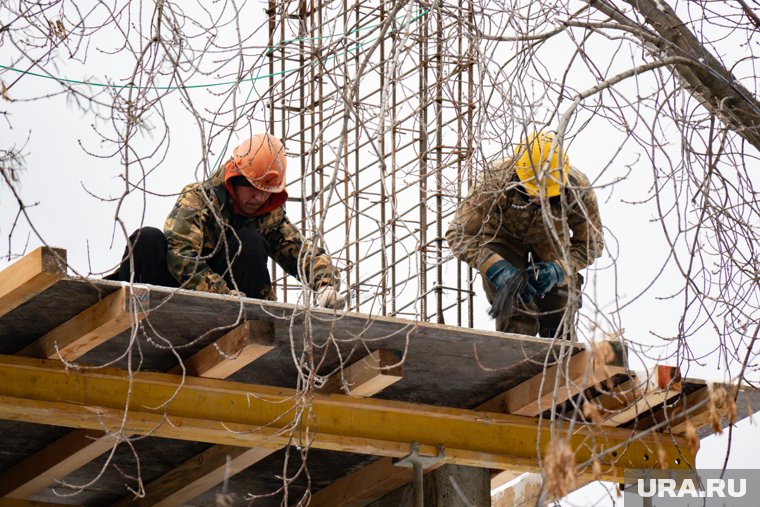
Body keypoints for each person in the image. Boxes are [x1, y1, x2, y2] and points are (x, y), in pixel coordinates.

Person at [108, 133, 345, 309]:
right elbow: (180, 254)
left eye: (266, 192)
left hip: (235, 306)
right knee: (147, 239)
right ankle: (131, 312)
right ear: (235, 180)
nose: (259, 198)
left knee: (249, 244)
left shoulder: (267, 216)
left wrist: (325, 283)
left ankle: (250, 321)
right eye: (253, 189)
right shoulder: (199, 200)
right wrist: (223, 295)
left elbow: (299, 250)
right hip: (176, 291)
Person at [445, 132, 604, 337]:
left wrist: (559, 269)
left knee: (560, 312)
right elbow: (458, 234)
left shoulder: (579, 190)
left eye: (549, 193)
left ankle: (563, 365)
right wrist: (496, 269)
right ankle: (516, 359)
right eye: (535, 190)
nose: (541, 198)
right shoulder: (494, 181)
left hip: (552, 243)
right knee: (515, 308)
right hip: (503, 239)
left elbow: (592, 244)